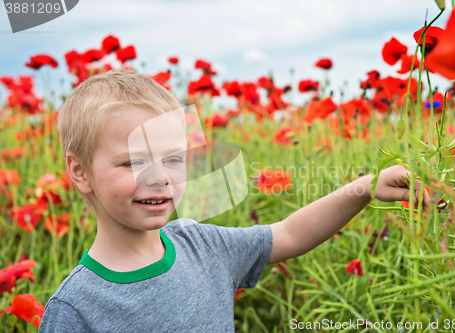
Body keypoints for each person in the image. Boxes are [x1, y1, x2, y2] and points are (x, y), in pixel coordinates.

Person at [38, 69, 430, 332]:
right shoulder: (76, 309)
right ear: (80, 172)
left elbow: (289, 234)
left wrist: (366, 186)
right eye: (133, 162)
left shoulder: (202, 246)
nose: (158, 177)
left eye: (173, 159)